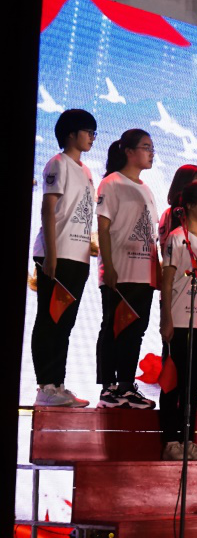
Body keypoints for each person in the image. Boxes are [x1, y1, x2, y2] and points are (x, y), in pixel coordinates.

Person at [32, 109, 98, 408]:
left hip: (78, 257)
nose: (92, 137)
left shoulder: (86, 171)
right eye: (88, 131)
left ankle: (58, 384)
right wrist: (51, 255)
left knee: (65, 324)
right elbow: (48, 209)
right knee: (50, 320)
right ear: (71, 134)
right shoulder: (57, 163)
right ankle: (45, 386)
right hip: (56, 255)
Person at [95, 129, 159, 409]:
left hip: (144, 273)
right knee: (113, 327)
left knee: (135, 331)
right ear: (129, 151)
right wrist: (108, 267)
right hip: (120, 271)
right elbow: (103, 228)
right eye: (146, 147)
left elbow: (151, 234)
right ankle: (108, 388)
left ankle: (126, 386)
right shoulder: (111, 183)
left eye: (152, 148)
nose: (151, 153)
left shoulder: (146, 189)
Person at [159, 183, 197, 461]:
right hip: (181, 319)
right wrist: (166, 319)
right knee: (175, 381)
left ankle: (188, 440)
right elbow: (167, 280)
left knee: (194, 383)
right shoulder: (176, 238)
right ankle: (171, 441)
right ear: (191, 206)